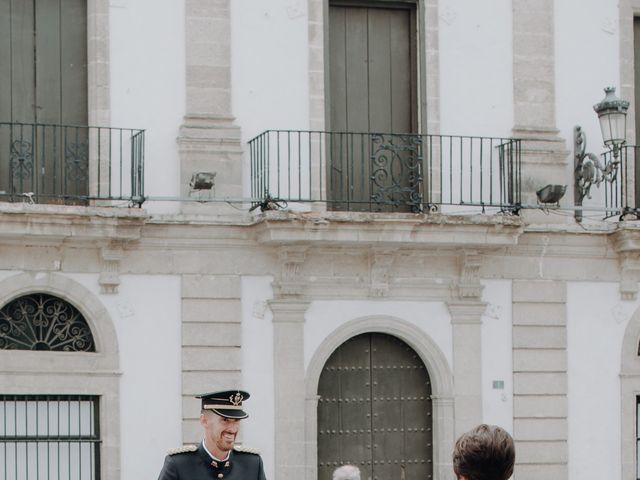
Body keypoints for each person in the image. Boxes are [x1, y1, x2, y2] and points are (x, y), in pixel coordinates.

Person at [158, 389, 267, 480]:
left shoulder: (252, 464)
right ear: (204, 421)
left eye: (236, 420)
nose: (233, 429)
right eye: (225, 420)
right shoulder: (178, 465)